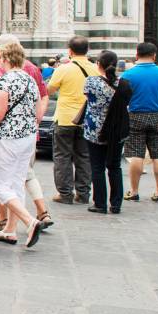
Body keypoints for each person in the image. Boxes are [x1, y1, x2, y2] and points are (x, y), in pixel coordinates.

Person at [0, 40, 44, 247]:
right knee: (16, 183)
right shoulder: (30, 80)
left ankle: (29, 221)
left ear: (4, 58)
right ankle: (10, 230)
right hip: (28, 138)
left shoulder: (4, 81)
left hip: (8, 138)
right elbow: (37, 108)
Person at [121, 42, 158, 201]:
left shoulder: (128, 74)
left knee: (136, 155)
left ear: (137, 54)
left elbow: (122, 97)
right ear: (154, 56)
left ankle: (133, 191)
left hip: (135, 116)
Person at [47, 36, 98, 204]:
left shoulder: (63, 69)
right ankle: (83, 194)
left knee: (62, 156)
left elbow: (50, 89)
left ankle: (65, 193)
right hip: (87, 119)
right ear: (87, 50)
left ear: (70, 51)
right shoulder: (95, 69)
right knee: (84, 156)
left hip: (65, 118)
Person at [82, 50, 131, 214]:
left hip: (95, 130)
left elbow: (88, 98)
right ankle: (116, 204)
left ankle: (100, 203)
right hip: (116, 130)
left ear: (98, 64)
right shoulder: (124, 83)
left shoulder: (91, 82)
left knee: (97, 167)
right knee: (115, 166)